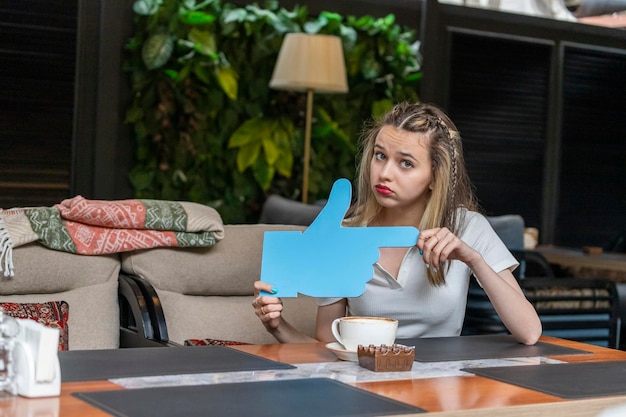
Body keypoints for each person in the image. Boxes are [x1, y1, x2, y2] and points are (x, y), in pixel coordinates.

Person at [253, 101, 542, 346]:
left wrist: (473, 258)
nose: (385, 173)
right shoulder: (343, 234)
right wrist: (278, 326)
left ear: (434, 176)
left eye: (406, 163)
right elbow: (328, 349)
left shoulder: (468, 227)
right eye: (380, 156)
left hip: (440, 389)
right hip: (364, 389)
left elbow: (529, 332)